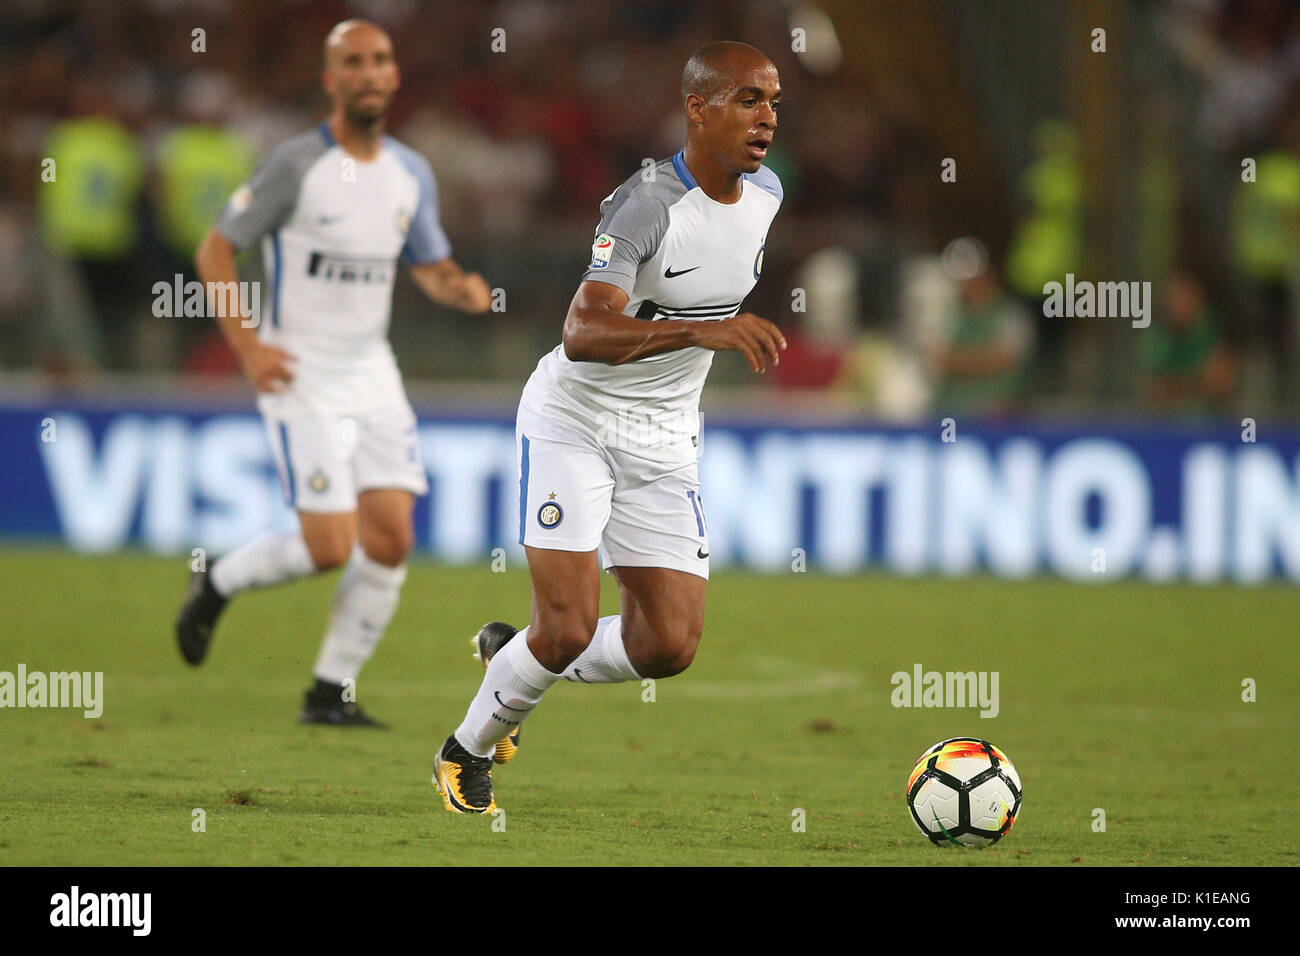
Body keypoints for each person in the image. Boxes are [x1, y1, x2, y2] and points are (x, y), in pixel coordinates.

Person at [431, 41, 786, 813]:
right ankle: (466, 750)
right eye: (748, 99)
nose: (766, 118)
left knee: (669, 647)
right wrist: (701, 332)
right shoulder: (647, 205)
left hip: (665, 439)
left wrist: (704, 334)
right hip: (576, 423)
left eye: (773, 102)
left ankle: (510, 656)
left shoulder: (768, 194)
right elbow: (583, 333)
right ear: (698, 108)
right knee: (562, 626)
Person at [175, 20, 492, 726]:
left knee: (392, 537)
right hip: (302, 369)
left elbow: (428, 264)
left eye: (381, 59)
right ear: (331, 79)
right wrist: (251, 348)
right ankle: (219, 579)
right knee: (328, 546)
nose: (369, 72)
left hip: (372, 368)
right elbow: (215, 253)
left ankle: (329, 694)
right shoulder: (294, 165)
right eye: (353, 62)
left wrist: (458, 286)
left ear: (395, 76)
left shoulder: (411, 171)